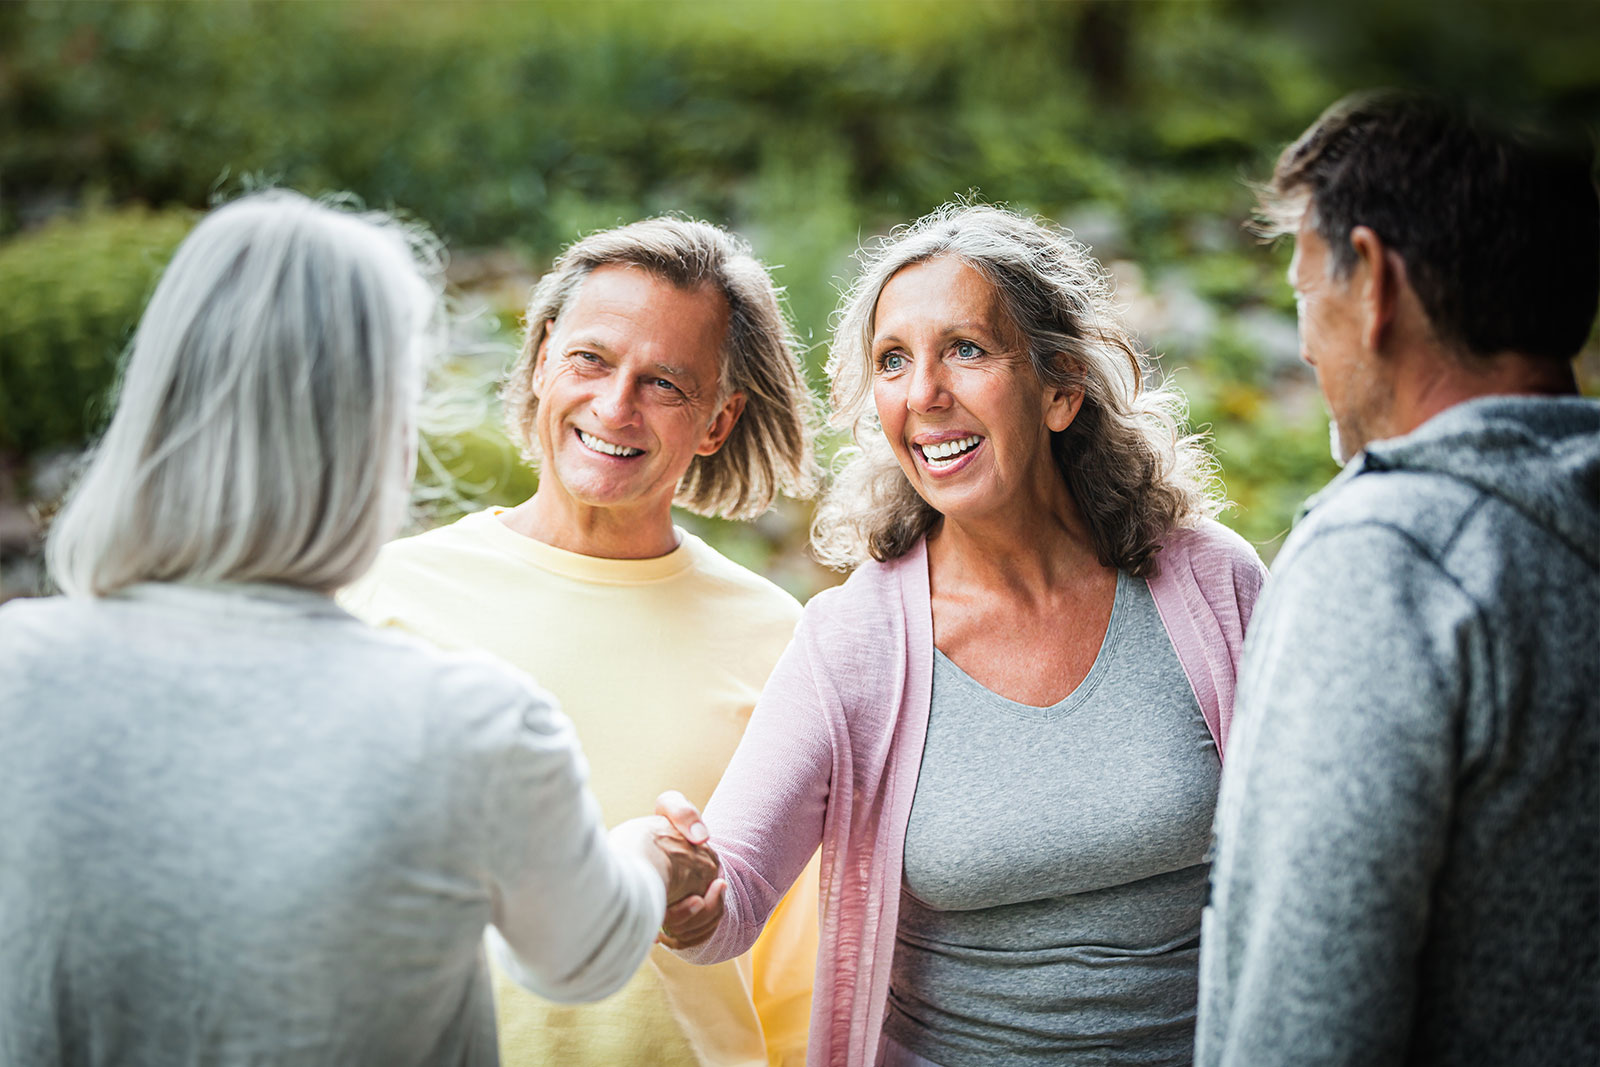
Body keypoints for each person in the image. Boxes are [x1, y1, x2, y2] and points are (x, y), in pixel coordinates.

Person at [0, 190, 719, 1067]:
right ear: (375, 429)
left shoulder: (18, 669)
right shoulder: (467, 717)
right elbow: (582, 953)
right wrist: (645, 851)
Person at [664, 203, 1267, 1067]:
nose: (925, 394)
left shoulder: (1210, 583)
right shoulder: (856, 642)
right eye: (894, 361)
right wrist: (684, 887)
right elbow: (733, 891)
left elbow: (1314, 853)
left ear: (1060, 389)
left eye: (967, 350)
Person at [344, 216, 824, 1067]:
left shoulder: (779, 641)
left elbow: (800, 978)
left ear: (718, 421)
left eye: (664, 384)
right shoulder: (380, 593)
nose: (615, 405)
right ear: (540, 363)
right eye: (590, 359)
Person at [1195, 92, 1600, 1066]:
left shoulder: (1383, 560)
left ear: (1371, 280)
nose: (1301, 341)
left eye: (1302, 288)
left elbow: (1307, 1008)